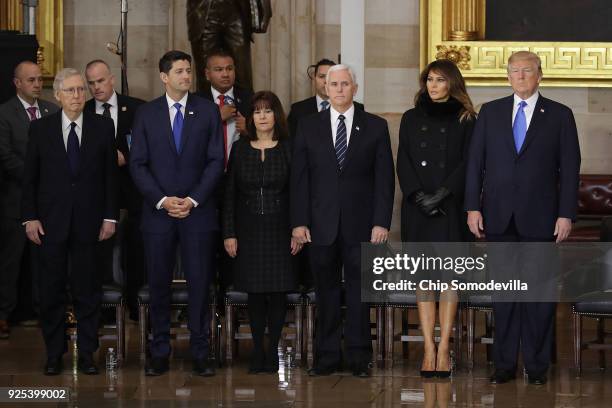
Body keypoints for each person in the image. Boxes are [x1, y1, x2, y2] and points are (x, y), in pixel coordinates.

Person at [465, 51, 581, 385]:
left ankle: (537, 366)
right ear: (507, 76)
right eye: (514, 71)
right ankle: (504, 365)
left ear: (539, 75)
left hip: (542, 219)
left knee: (538, 296)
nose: (520, 76)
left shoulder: (559, 115)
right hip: (499, 217)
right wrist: (473, 206)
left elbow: (569, 170)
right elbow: (476, 163)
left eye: (526, 71)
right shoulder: (491, 112)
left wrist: (565, 214)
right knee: (504, 295)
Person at [290, 64, 395, 377]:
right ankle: (326, 356)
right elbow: (300, 178)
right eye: (332, 83)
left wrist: (381, 222)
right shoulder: (308, 126)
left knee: (361, 292)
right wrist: (299, 221)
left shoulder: (375, 126)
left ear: (355, 88)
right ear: (325, 87)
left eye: (344, 84)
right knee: (327, 292)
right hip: (320, 226)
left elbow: (385, 179)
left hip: (362, 225)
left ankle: (359, 357)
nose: (338, 89)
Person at [130, 50, 224, 377]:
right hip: (158, 215)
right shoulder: (146, 113)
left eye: (188, 70)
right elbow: (137, 163)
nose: (187, 76)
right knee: (158, 284)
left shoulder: (208, 111)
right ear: (164, 77)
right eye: (180, 71)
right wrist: (162, 200)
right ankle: (159, 352)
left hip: (198, 214)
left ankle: (201, 351)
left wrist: (193, 199)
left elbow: (216, 160)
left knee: (200, 283)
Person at [21, 68, 118, 375]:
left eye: (81, 90)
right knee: (50, 292)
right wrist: (30, 218)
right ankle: (54, 353)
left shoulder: (103, 127)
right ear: (57, 95)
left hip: (90, 224)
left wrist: (109, 217)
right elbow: (30, 180)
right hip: (51, 224)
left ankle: (87, 353)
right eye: (71, 90)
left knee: (87, 291)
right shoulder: (40, 129)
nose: (78, 96)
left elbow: (110, 179)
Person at [397, 59, 476, 378]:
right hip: (418, 210)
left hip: (450, 208)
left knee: (449, 280)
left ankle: (444, 348)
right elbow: (404, 159)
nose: (433, 85)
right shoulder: (410, 117)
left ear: (452, 84)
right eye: (429, 79)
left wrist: (442, 195)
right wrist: (418, 196)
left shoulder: (467, 118)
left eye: (440, 80)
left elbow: (470, 163)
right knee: (424, 281)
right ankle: (427, 347)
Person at [222, 91, 301, 373]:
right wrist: (229, 233)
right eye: (257, 111)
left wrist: (297, 230)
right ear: (250, 118)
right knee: (255, 293)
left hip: (282, 229)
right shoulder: (241, 148)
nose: (263, 116)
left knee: (278, 292)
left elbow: (298, 192)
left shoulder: (289, 147)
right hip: (248, 230)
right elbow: (229, 193)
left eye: (268, 111)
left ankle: (274, 350)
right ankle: (257, 350)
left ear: (275, 115)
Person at [0, 61, 58, 339]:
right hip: (17, 201)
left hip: (49, 204)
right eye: (31, 80)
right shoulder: (4, 114)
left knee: (46, 263)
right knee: (11, 262)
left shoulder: (52, 110)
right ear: (17, 83)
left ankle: (46, 311)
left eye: (39, 79)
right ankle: (3, 314)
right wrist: (38, 178)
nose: (37, 84)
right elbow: (6, 156)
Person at [84, 59, 146, 321]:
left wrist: (127, 157)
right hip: (97, 197)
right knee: (100, 255)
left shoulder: (137, 108)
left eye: (100, 81)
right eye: (91, 83)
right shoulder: (84, 111)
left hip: (134, 194)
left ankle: (136, 306)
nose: (96, 87)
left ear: (111, 79)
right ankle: (105, 312)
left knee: (136, 254)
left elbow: (149, 148)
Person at [187, 0, 272, 92]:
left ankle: (244, 105)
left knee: (242, 72)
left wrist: (265, 7)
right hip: (204, 11)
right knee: (205, 74)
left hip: (236, 11)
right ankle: (206, 105)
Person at [198, 48, 253, 169]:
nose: (225, 74)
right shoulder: (195, 101)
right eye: (219, 70)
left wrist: (249, 130)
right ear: (207, 74)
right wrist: (217, 118)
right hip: (205, 172)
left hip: (241, 172)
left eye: (229, 69)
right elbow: (188, 138)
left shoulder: (250, 99)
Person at [287, 58, 364, 138]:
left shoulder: (357, 108)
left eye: (329, 77)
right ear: (314, 79)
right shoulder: (298, 109)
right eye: (321, 76)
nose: (325, 81)